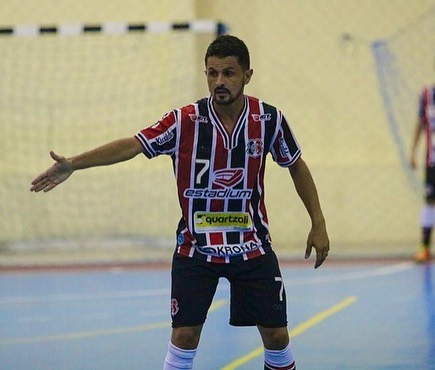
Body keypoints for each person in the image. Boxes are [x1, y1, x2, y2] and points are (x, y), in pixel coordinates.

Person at [30, 35, 330, 370]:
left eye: (229, 73)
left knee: (276, 337)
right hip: (195, 249)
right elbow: (133, 144)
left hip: (252, 246)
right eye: (212, 73)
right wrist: (74, 162)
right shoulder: (185, 121)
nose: (219, 82)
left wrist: (317, 221)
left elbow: (296, 165)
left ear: (247, 74)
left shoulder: (269, 120)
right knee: (185, 335)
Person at [410, 84, 435, 263]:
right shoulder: (427, 95)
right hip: (432, 160)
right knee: (429, 201)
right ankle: (425, 247)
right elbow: (420, 122)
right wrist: (413, 150)